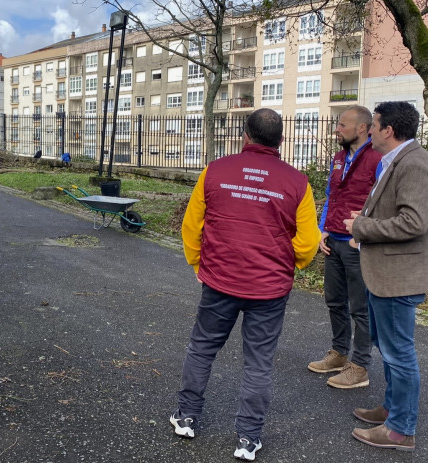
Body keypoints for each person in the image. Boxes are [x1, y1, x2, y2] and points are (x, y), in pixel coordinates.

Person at [173, 108, 320, 461]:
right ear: (281, 141)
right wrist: (289, 265)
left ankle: (187, 416)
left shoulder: (215, 170)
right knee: (259, 363)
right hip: (269, 289)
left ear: (245, 136)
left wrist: (199, 263)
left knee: (202, 348)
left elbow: (192, 227)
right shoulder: (298, 183)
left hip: (219, 280)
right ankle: (248, 438)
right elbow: (308, 244)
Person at [344, 101, 428, 452]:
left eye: (374, 124)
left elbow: (415, 221)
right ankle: (393, 410)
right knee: (390, 348)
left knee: (399, 353)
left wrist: (362, 226)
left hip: (397, 276)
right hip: (385, 274)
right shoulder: (397, 161)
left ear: (387, 130)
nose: (370, 130)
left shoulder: (414, 163)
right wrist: (362, 222)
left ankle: (400, 429)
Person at [307, 106, 382, 389]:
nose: (337, 129)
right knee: (334, 301)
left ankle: (360, 367)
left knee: (360, 308)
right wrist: (323, 229)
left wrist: (363, 234)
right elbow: (331, 194)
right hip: (334, 242)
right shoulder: (339, 157)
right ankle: (339, 354)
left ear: (362, 128)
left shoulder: (378, 158)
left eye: (342, 125)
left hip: (358, 244)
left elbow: (381, 200)